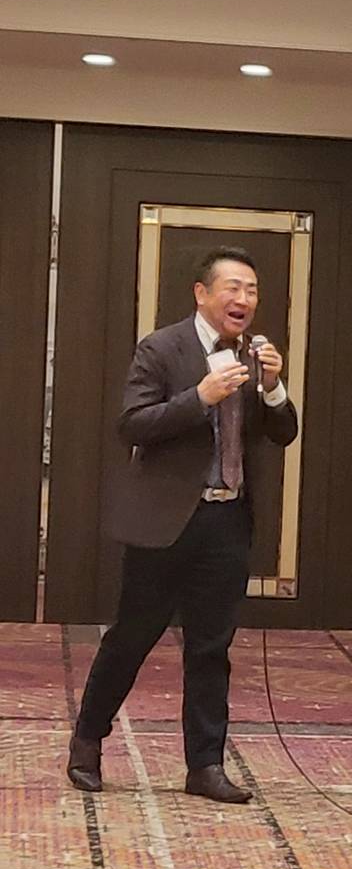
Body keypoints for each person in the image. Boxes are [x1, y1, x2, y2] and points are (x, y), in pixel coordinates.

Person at [67, 246, 298, 803]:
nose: (244, 300)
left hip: (227, 520)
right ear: (202, 293)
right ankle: (88, 739)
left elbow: (283, 432)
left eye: (252, 291)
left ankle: (205, 766)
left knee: (211, 647)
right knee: (133, 636)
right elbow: (133, 424)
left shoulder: (254, 354)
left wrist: (273, 386)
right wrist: (199, 398)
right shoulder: (162, 348)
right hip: (166, 522)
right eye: (233, 288)